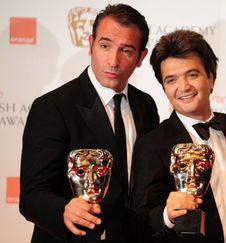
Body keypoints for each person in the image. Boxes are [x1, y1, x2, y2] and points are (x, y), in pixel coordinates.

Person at [20, 4, 159, 243]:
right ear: (91, 44)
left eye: (126, 50)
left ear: (140, 58)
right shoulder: (53, 107)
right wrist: (64, 210)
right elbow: (32, 197)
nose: (113, 61)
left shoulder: (146, 106)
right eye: (105, 46)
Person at [130, 29, 226, 243]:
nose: (183, 87)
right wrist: (167, 215)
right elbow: (140, 220)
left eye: (192, 75)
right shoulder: (153, 144)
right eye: (171, 80)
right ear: (164, 88)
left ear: (211, 77)